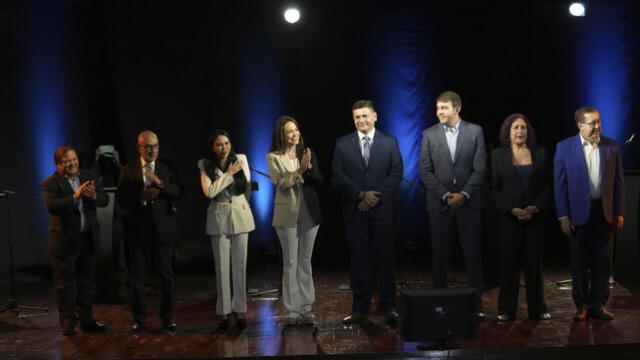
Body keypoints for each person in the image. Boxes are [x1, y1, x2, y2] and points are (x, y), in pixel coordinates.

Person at [332, 100, 403, 324]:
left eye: (365, 116)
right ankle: (359, 308)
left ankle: (389, 305)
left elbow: (396, 173)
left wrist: (374, 197)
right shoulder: (342, 144)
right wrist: (361, 194)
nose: (361, 120)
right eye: (357, 117)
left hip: (383, 211)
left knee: (385, 259)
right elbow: (338, 174)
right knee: (359, 261)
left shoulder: (390, 142)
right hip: (355, 211)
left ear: (375, 117)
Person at [419, 91, 486, 317]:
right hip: (439, 204)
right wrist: (446, 194)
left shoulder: (475, 131)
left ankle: (475, 306)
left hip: (468, 203)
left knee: (472, 256)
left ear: (457, 109)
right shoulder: (428, 134)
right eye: (438, 108)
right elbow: (425, 171)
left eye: (444, 108)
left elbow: (480, 168)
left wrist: (464, 194)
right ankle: (440, 306)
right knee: (439, 257)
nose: (440, 112)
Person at [554, 106, 624, 321]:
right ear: (580, 125)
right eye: (592, 122)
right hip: (577, 214)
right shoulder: (565, 147)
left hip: (604, 212)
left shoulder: (611, 146)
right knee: (579, 262)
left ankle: (598, 305)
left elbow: (618, 183)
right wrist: (563, 216)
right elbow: (560, 185)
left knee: (603, 261)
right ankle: (581, 305)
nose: (597, 126)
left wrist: (619, 212)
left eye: (599, 122)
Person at [116, 130, 182, 333]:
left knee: (167, 277)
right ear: (139, 148)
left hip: (163, 232)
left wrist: (159, 182)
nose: (152, 150)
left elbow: (178, 191)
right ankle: (139, 319)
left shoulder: (166, 167)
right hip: (138, 233)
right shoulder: (128, 170)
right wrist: (142, 197)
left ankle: (168, 317)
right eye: (148, 146)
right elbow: (121, 203)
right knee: (137, 279)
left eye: (155, 146)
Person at [41, 145, 109, 335]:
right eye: (67, 161)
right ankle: (68, 324)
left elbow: (104, 200)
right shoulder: (50, 183)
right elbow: (53, 206)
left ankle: (87, 320)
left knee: (87, 283)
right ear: (58, 164)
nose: (72, 164)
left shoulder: (89, 175)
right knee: (65, 286)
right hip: (65, 243)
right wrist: (75, 196)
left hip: (87, 239)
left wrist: (94, 196)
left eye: (74, 159)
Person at [491, 114, 550, 321]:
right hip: (510, 219)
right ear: (508, 131)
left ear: (528, 131)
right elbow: (495, 189)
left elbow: (547, 186)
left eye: (523, 128)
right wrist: (511, 209)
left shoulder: (541, 153)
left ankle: (538, 307)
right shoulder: (498, 155)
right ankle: (506, 309)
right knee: (509, 265)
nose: (519, 131)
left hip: (535, 218)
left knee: (534, 265)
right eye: (515, 127)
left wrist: (536, 207)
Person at [266, 116, 323, 326]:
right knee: (290, 262)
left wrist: (309, 169)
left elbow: (318, 179)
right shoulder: (273, 157)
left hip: (309, 212)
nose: (294, 134)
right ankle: (291, 312)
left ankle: (306, 308)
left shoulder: (306, 153)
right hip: (286, 214)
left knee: (305, 261)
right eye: (289, 131)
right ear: (281, 135)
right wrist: (299, 171)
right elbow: (280, 183)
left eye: (296, 130)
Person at [198, 130, 255, 329]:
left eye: (227, 143)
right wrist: (229, 175)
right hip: (218, 217)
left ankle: (240, 310)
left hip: (240, 214)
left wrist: (242, 205)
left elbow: (246, 186)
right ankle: (222, 312)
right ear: (213, 147)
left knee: (240, 266)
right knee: (222, 267)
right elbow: (210, 191)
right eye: (219, 144)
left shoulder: (241, 159)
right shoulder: (205, 164)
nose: (224, 148)